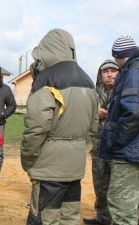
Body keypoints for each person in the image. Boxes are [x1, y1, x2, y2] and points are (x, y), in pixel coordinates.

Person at [20, 28, 98, 225]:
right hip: (74, 167)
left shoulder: (45, 80)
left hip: (48, 168)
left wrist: (28, 159)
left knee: (45, 218)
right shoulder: (88, 81)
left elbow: (36, 128)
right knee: (69, 218)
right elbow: (93, 125)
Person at [99, 35, 139, 225]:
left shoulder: (134, 70)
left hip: (126, 152)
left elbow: (134, 112)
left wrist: (115, 140)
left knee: (122, 208)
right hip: (130, 150)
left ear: (118, 56)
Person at [83, 60, 120, 225]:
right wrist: (94, 114)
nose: (110, 74)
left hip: (119, 150)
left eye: (113, 71)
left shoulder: (125, 91)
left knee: (119, 189)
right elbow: (83, 117)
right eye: (106, 71)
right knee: (100, 186)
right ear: (100, 75)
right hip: (98, 149)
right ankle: (102, 218)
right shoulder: (93, 95)